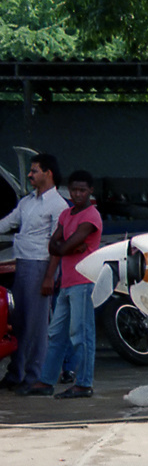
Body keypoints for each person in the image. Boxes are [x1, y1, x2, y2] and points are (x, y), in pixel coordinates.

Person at [28, 171, 102, 399]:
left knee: (81, 334)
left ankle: (84, 384)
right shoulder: (67, 214)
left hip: (84, 281)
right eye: (74, 190)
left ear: (90, 191)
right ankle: (46, 381)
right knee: (57, 333)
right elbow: (54, 246)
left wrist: (65, 246)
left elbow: (60, 247)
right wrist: (68, 247)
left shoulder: (92, 216)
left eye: (82, 190)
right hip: (68, 282)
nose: (77, 194)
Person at [0, 154, 68, 390]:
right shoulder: (27, 202)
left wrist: (50, 276)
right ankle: (16, 374)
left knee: (36, 326)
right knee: (19, 323)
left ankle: (34, 378)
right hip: (23, 264)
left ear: (48, 173)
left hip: (41, 266)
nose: (30, 175)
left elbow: (57, 245)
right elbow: (7, 223)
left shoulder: (58, 205)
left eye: (34, 171)